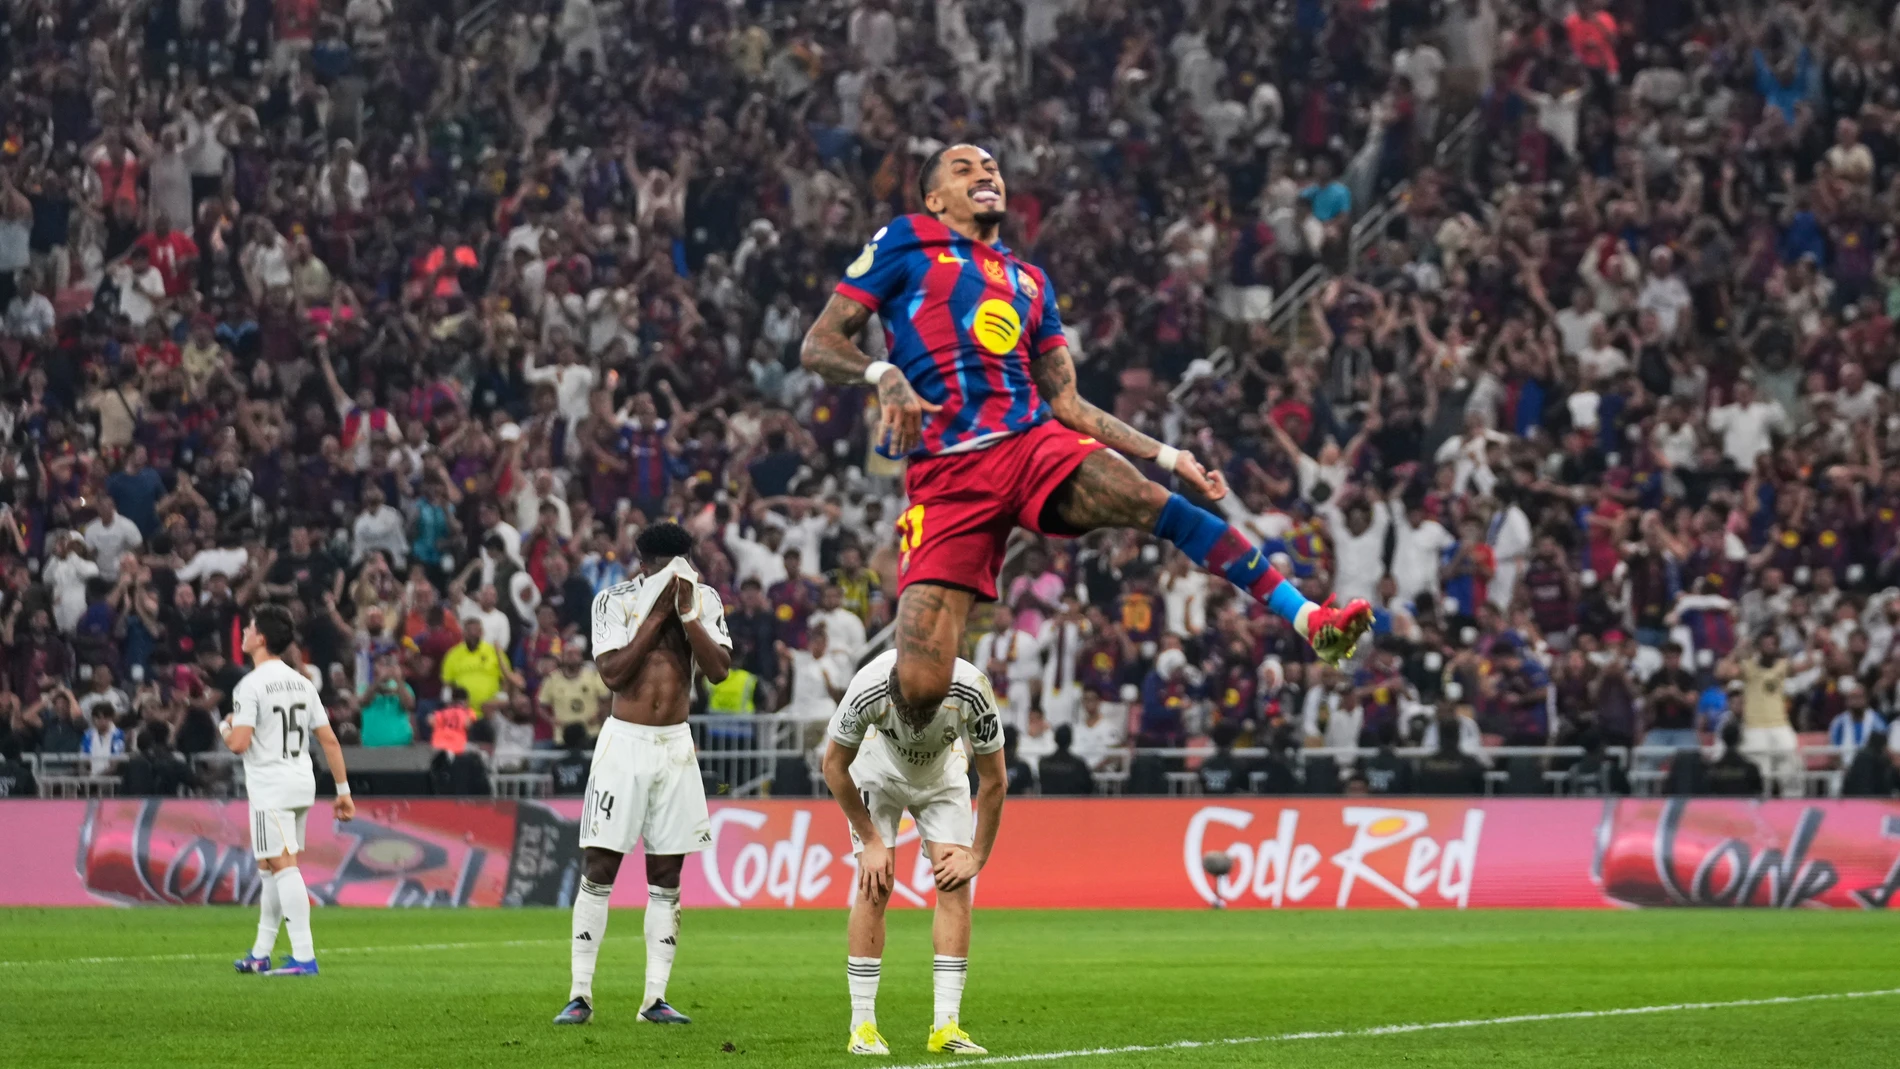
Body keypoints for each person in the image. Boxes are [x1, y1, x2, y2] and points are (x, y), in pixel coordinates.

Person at [799, 144, 1372, 738]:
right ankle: (863, 749)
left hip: (1029, 445)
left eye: (992, 166)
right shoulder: (906, 240)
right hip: (947, 478)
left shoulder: (1029, 282)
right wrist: (883, 374)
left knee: (1151, 500)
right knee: (919, 689)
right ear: (934, 198)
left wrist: (1169, 456)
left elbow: (1068, 403)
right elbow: (819, 344)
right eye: (964, 169)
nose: (985, 174)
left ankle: (1309, 620)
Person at [557, 522, 731, 1027]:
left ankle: (655, 998)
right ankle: (580, 994)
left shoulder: (706, 600)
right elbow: (613, 674)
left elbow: (718, 671)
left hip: (675, 746)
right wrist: (658, 617)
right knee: (600, 866)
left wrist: (687, 616)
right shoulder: (613, 601)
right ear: (648, 565)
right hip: (624, 743)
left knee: (666, 875)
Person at [821, 649, 1005, 1056]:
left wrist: (977, 855)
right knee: (875, 884)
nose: (918, 729)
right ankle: (862, 1027)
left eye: (927, 716)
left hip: (942, 777)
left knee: (955, 883)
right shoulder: (867, 687)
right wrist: (870, 839)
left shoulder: (973, 689)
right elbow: (833, 766)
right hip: (878, 773)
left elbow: (994, 781)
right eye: (910, 718)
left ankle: (946, 1027)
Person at [223, 604, 355, 976]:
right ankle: (261, 952)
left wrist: (225, 727)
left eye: (248, 628)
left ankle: (303, 956)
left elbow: (238, 743)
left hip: (271, 785)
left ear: (260, 638)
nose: (244, 633)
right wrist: (343, 790)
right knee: (269, 866)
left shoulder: (250, 685)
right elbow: (328, 739)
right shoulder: (302, 682)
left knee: (282, 866)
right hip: (300, 781)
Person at [1702, 718, 1766, 797]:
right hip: (1741, 808)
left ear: (1723, 738)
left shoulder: (1713, 769)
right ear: (1740, 739)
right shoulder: (1752, 768)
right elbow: (1759, 793)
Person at [1035, 724, 1094, 795]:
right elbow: (1088, 787)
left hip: (1048, 804)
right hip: (1072, 804)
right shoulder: (1079, 764)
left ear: (1055, 739)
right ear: (1070, 740)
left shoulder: (1043, 762)